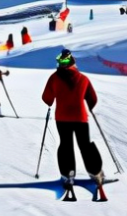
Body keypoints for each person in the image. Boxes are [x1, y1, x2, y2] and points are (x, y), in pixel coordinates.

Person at [41, 49, 107, 201]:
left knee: (66, 144)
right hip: (80, 118)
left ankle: (67, 175)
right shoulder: (83, 78)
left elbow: (47, 99)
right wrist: (88, 104)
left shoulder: (54, 78)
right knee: (85, 145)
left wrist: (56, 96)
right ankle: (96, 172)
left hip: (62, 118)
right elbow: (93, 99)